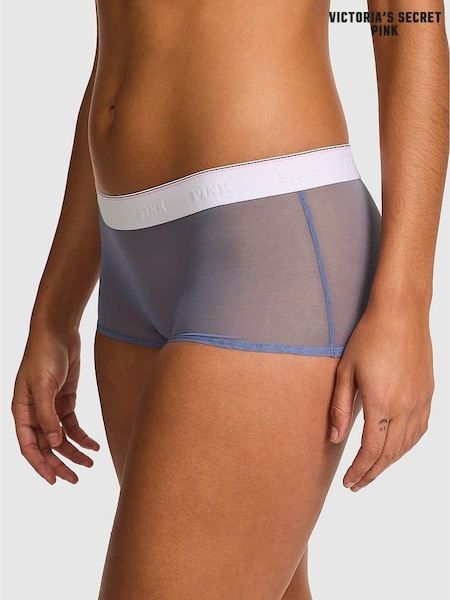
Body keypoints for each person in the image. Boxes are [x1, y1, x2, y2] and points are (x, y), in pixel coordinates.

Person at [11, 1, 448, 599]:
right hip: (128, 258)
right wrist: (55, 313)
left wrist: (406, 304)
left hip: (269, 233)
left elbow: (407, 20)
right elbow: (129, 44)